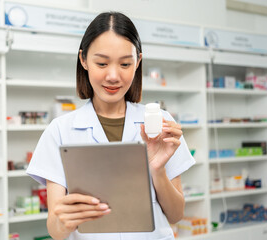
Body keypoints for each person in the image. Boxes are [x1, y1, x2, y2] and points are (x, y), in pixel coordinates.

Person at [27, 11, 195, 240]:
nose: (113, 76)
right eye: (102, 63)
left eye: (125, 63)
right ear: (84, 60)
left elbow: (176, 214)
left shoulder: (161, 123)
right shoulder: (60, 131)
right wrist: (63, 219)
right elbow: (56, 231)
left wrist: (158, 170)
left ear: (138, 62)